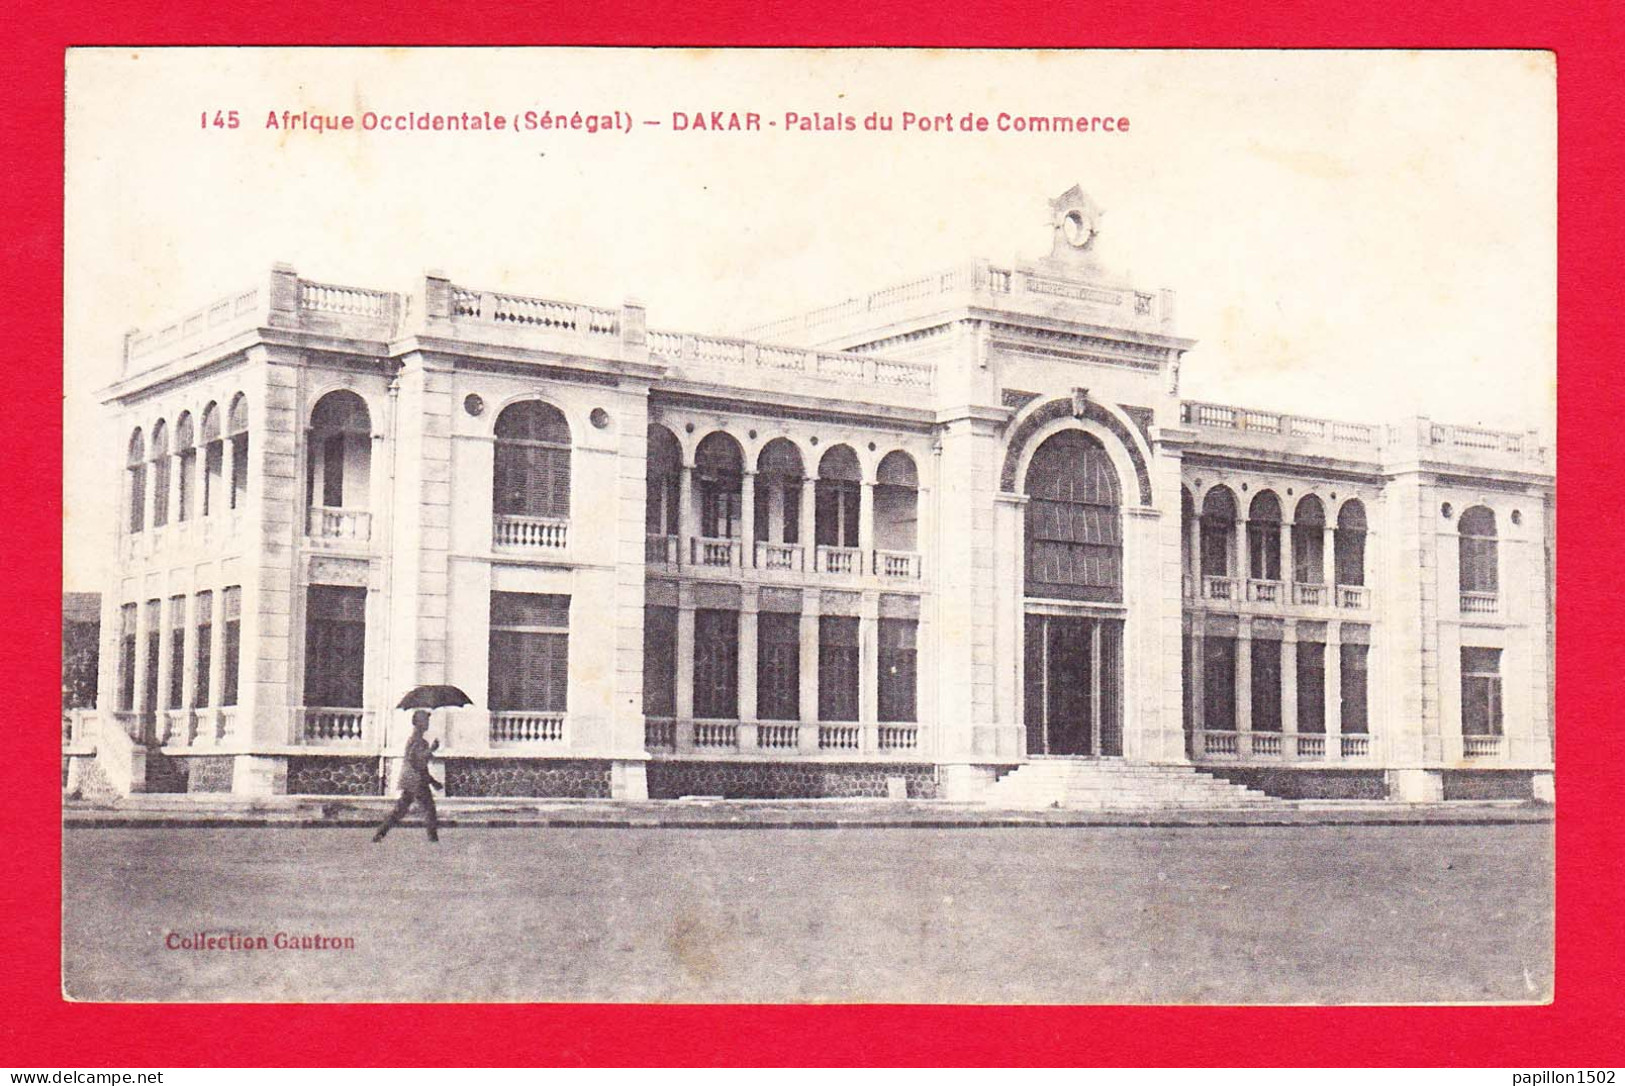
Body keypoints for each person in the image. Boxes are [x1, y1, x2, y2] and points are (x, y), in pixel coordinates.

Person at [372, 710, 442, 842]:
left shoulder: (421, 741)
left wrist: (433, 781)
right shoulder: (415, 739)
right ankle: (433, 839)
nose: (427, 724)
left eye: (428, 721)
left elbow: (422, 765)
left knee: (401, 810)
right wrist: (430, 750)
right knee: (429, 809)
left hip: (415, 780)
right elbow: (414, 759)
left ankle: (380, 833)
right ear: (417, 723)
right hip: (415, 780)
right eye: (425, 721)